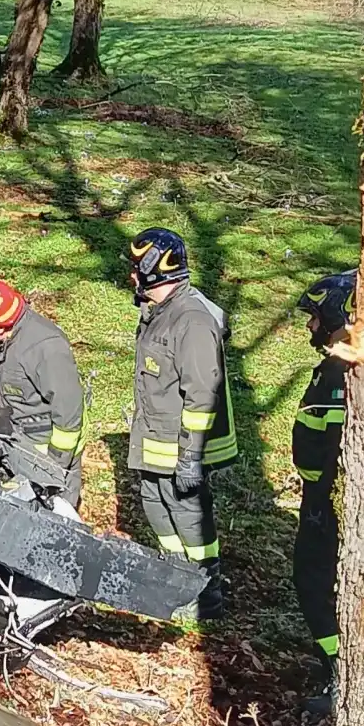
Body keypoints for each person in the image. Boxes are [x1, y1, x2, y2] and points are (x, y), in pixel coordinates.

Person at [126, 227, 236, 620]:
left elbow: (202, 394)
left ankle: (206, 596)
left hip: (179, 448)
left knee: (189, 518)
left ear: (156, 270)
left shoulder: (190, 321)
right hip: (155, 442)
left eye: (138, 270)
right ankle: (176, 582)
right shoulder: (159, 313)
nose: (132, 277)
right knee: (156, 508)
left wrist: (190, 458)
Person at [0, 279, 87, 509]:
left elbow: (69, 413)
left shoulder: (46, 348)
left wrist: (53, 467)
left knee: (56, 516)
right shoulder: (2, 338)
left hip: (50, 447)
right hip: (21, 439)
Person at [292, 270, 354, 715]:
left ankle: (339, 671)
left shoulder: (339, 375)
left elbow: (328, 448)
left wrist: (319, 499)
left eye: (315, 317)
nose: (310, 326)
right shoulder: (339, 367)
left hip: (325, 503)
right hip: (323, 499)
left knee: (314, 583)